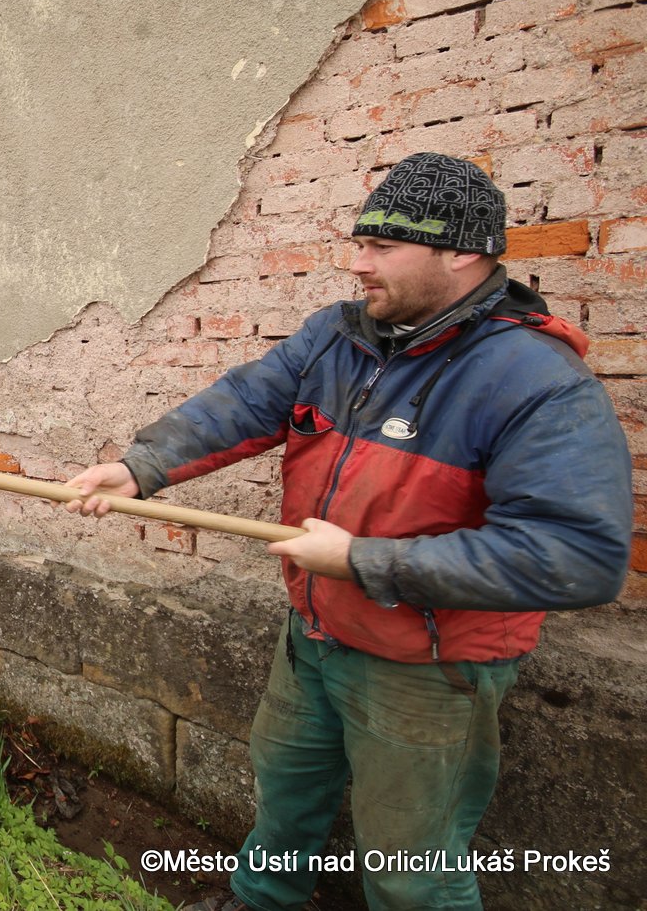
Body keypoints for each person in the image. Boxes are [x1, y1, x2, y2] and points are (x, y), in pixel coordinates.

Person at [65, 153, 631, 911]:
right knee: (285, 794)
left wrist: (363, 560)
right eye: (360, 242)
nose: (358, 263)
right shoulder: (339, 337)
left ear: (463, 253)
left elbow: (578, 555)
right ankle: (263, 900)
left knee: (411, 868)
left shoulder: (536, 379)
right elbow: (246, 403)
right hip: (315, 635)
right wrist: (141, 468)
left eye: (382, 246)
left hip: (428, 666)